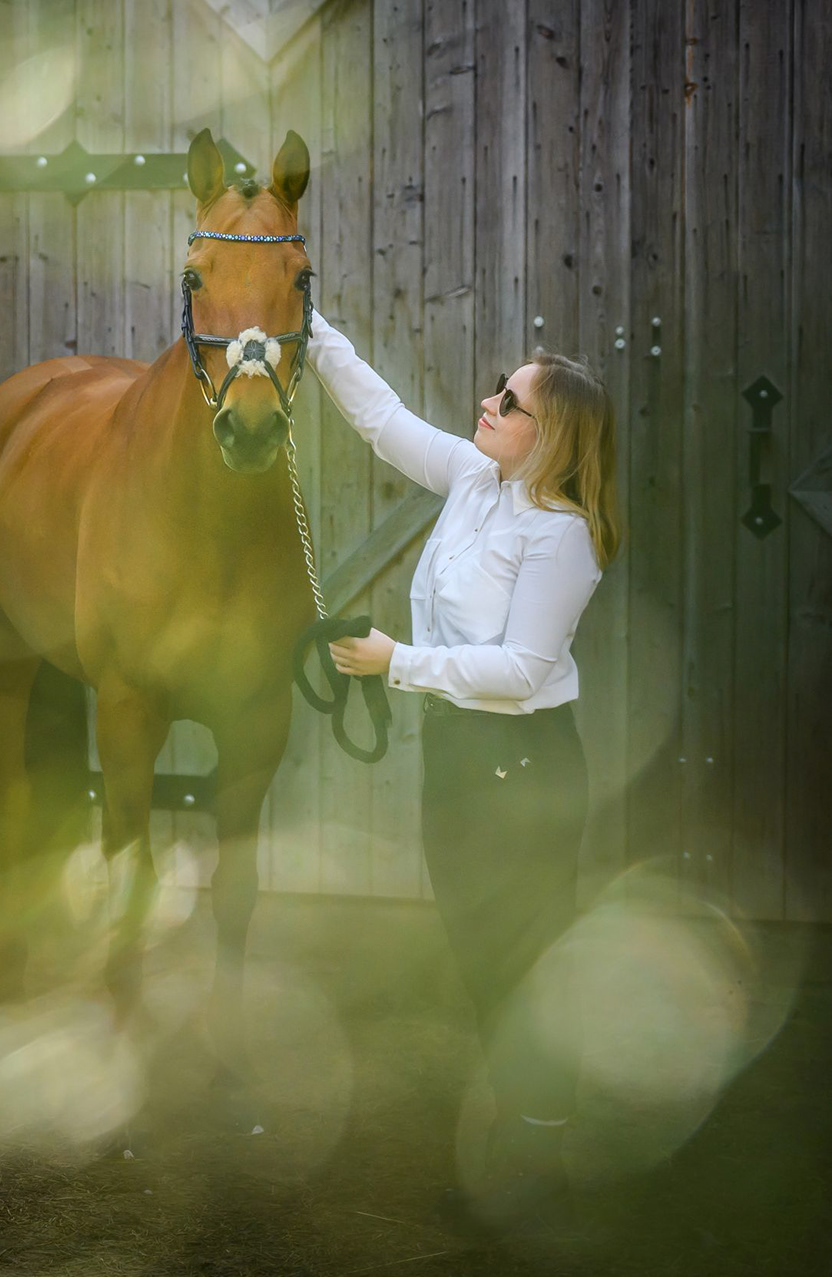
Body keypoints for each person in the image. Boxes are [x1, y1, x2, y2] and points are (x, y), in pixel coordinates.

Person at [305, 311, 620, 1230]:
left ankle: (536, 1164)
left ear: (550, 436)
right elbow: (381, 417)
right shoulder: (476, 477)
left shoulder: (562, 535)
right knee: (486, 961)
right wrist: (303, 317)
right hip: (459, 757)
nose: (488, 402)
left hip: (522, 771)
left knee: (521, 965)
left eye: (509, 401)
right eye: (499, 389)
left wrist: (395, 661)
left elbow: (521, 670)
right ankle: (526, 1142)